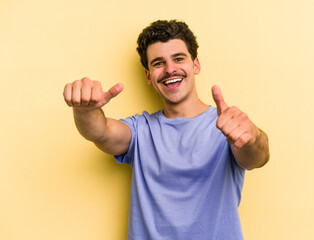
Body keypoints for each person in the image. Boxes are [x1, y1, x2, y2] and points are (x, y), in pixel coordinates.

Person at [63, 20, 269, 240]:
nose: (170, 69)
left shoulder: (227, 125)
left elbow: (256, 157)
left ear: (196, 65)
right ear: (148, 76)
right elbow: (100, 132)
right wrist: (85, 110)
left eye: (178, 58)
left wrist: (252, 138)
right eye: (158, 63)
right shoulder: (140, 130)